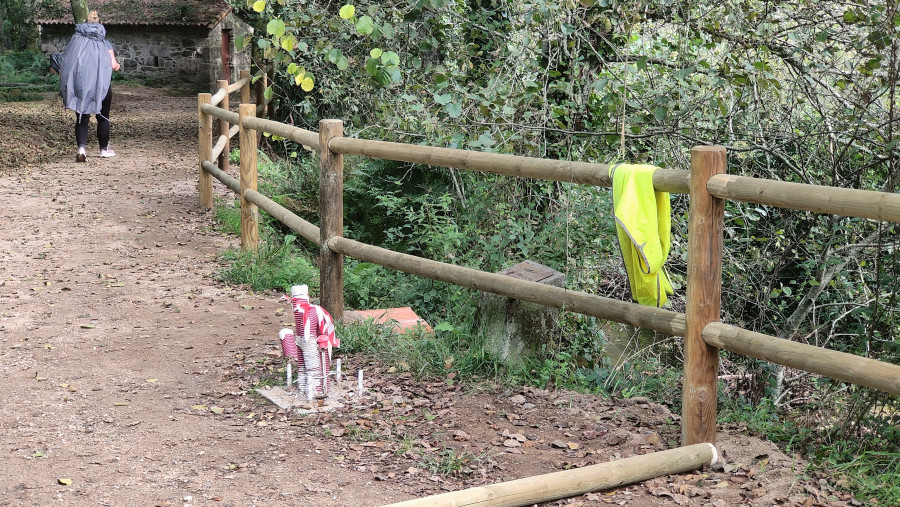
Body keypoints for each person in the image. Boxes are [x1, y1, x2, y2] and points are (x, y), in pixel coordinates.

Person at [59, 11, 120, 162]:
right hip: (102, 85)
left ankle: (81, 149)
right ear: (99, 23)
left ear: (85, 23)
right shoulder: (104, 42)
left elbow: (67, 60)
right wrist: (116, 65)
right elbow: (113, 65)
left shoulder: (76, 39)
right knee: (103, 117)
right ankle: (104, 150)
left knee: (82, 116)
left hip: (81, 84)